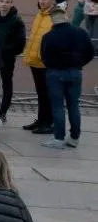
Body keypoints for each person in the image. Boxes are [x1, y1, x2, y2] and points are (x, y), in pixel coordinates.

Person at [39, 14, 94, 150]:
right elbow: (90, 52)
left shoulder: (49, 36)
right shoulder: (81, 33)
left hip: (55, 73)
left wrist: (52, 66)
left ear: (52, 20)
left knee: (58, 107)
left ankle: (59, 138)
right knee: (74, 105)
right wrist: (79, 63)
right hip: (75, 72)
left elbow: (44, 56)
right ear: (66, 17)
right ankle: (74, 138)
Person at [0, 0, 26, 129]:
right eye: (2, 1)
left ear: (11, 4)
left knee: (6, 84)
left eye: (7, 2)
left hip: (7, 58)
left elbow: (20, 43)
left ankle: (2, 112)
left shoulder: (16, 21)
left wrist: (7, 50)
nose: (4, 4)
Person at [22, 0, 57, 134]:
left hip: (46, 62)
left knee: (48, 94)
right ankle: (41, 120)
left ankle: (49, 123)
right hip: (35, 60)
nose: (42, 2)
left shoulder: (56, 16)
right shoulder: (39, 15)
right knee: (41, 93)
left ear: (53, 0)